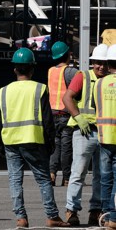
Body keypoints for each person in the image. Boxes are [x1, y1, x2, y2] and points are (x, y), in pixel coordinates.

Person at [0, 47, 70, 228]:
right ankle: (52, 216)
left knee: (14, 180)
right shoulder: (39, 89)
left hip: (11, 141)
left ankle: (21, 218)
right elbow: (47, 120)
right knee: (43, 179)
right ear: (32, 69)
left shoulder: (3, 91)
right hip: (33, 140)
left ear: (15, 69)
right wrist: (50, 142)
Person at [62, 43, 108, 226]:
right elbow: (67, 97)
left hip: (105, 133)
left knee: (101, 174)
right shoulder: (83, 76)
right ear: (92, 62)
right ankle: (71, 210)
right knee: (78, 172)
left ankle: (95, 211)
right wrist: (78, 117)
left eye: (104, 63)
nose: (101, 67)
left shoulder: (110, 80)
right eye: (98, 63)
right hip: (84, 131)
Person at [48, 41, 77, 187]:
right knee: (66, 148)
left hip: (53, 114)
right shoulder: (71, 72)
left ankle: (52, 173)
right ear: (67, 55)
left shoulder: (51, 71)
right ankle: (66, 178)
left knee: (56, 146)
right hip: (66, 115)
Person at [97, 45, 116, 228]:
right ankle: (114, 217)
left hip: (104, 135)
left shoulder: (100, 83)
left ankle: (105, 213)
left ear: (108, 63)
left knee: (105, 178)